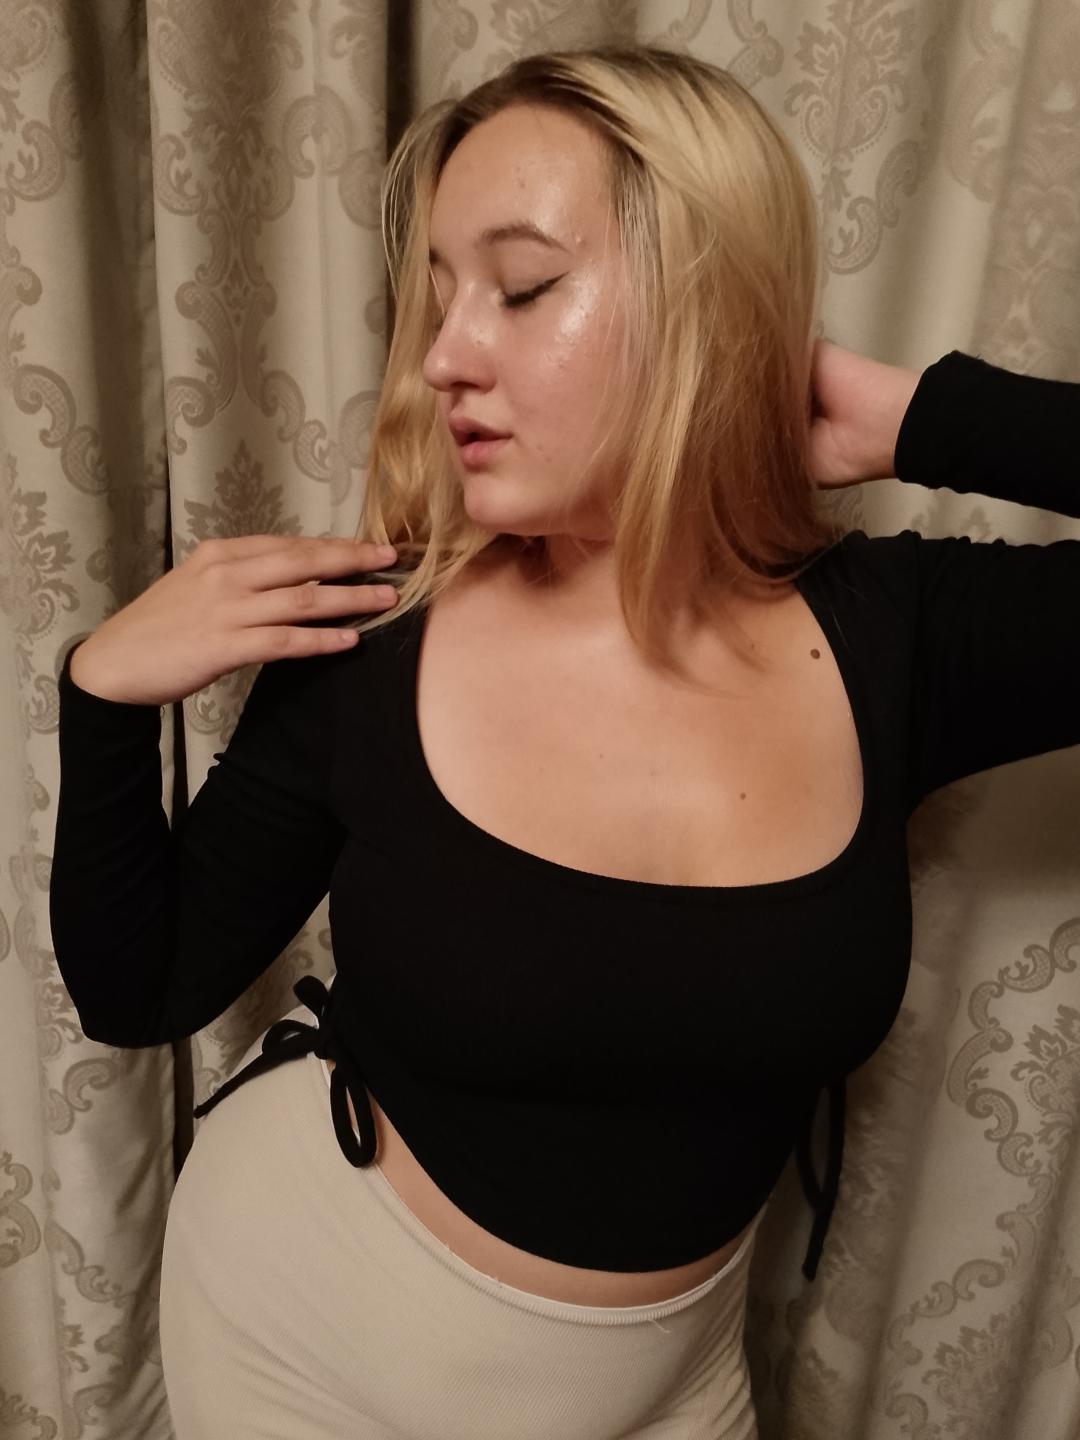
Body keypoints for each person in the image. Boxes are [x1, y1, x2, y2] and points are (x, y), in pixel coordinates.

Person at [47, 42, 1078, 1440]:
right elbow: (141, 986)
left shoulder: (900, 640)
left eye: (523, 287)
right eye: (439, 295)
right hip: (311, 1345)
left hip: (675, 1385)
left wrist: (922, 417)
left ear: (705, 302)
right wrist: (104, 696)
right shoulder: (381, 641)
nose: (443, 356)